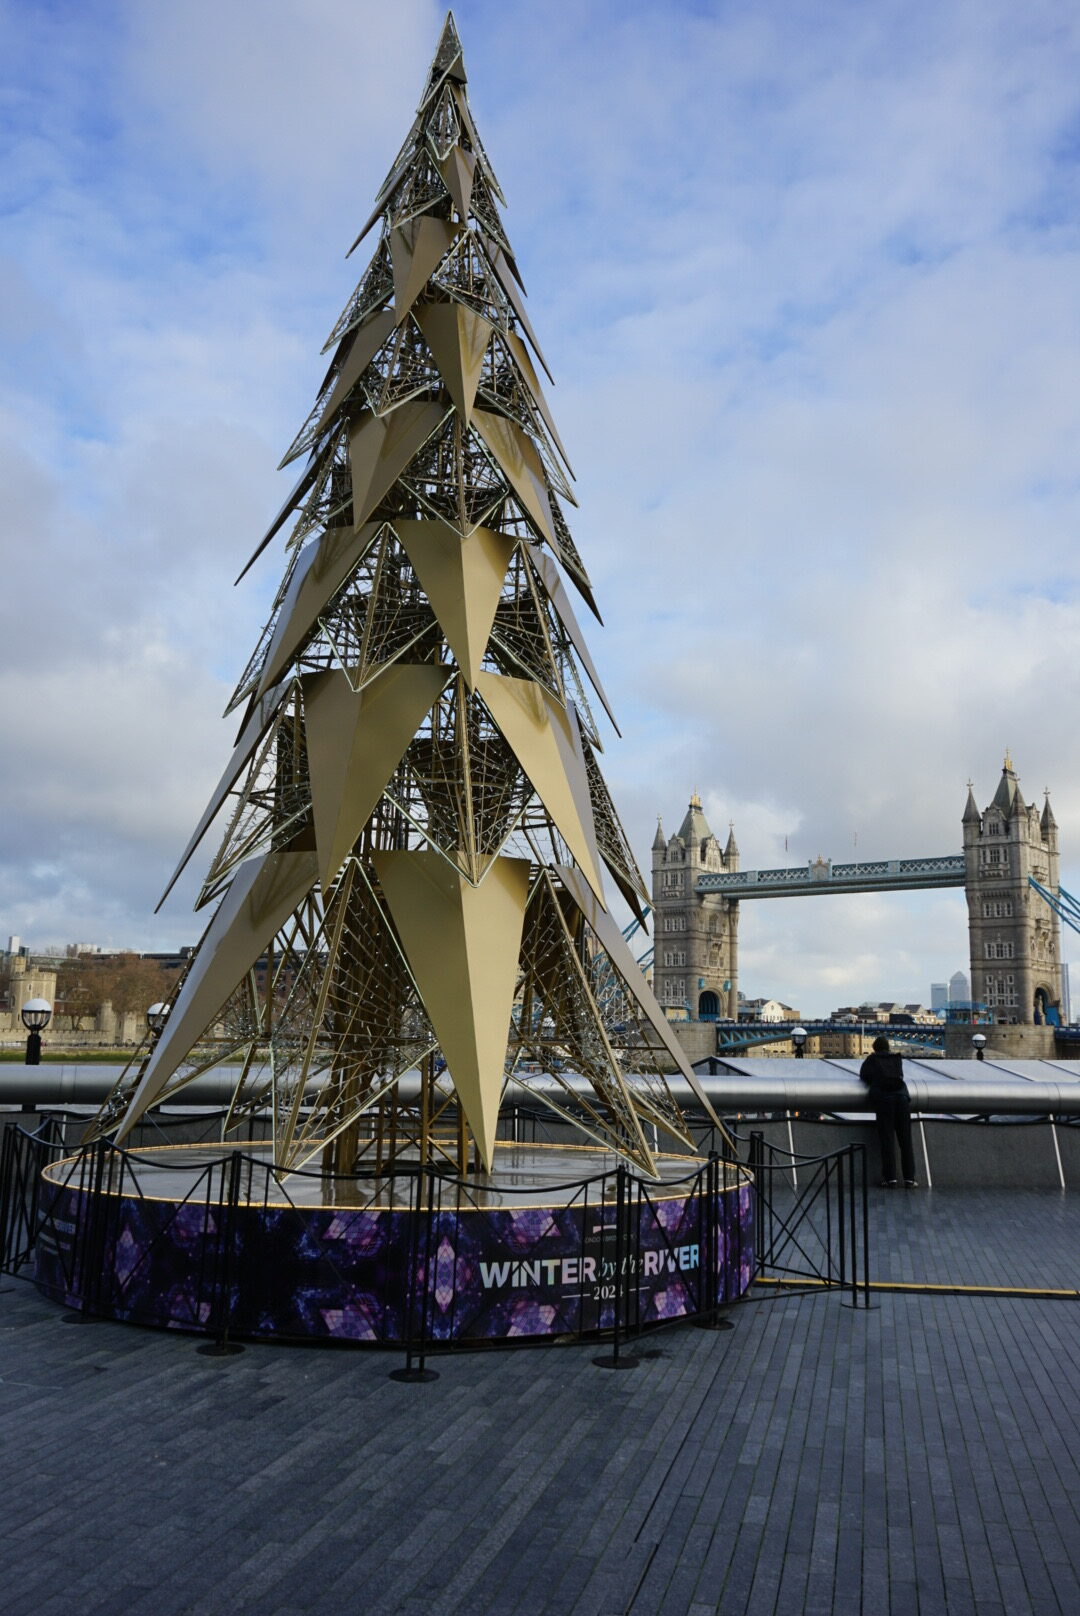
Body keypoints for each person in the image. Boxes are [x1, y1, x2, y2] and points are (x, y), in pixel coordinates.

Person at [859, 1036, 917, 1187]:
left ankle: (891, 1178)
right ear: (887, 1047)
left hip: (884, 1101)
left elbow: (864, 1075)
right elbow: (900, 1076)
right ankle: (910, 1178)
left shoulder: (872, 1059)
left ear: (875, 1047)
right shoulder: (896, 1058)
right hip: (902, 1099)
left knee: (887, 1140)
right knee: (905, 1141)